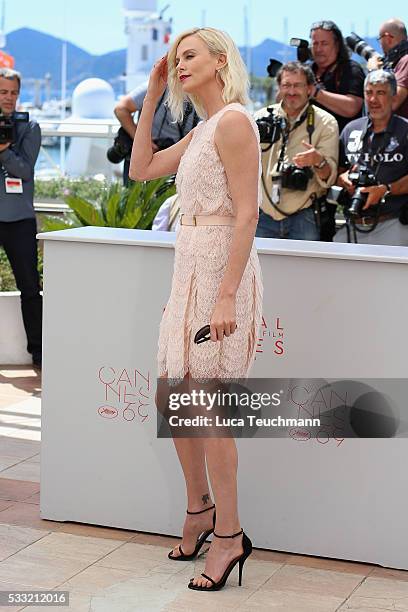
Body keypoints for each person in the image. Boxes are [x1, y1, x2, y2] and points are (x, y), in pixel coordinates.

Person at [129, 27, 263, 591]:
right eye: (175, 57)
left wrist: (228, 293)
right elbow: (141, 169)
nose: (179, 64)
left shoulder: (234, 123)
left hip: (220, 275)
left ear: (219, 61)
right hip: (188, 271)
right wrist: (153, 96)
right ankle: (198, 510)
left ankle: (230, 537)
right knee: (177, 401)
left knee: (208, 409)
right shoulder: (205, 128)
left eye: (190, 56)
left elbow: (249, 214)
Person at [255, 61, 338, 241]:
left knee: (305, 270)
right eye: (286, 85)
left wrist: (318, 161)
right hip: (263, 213)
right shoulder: (261, 118)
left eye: (298, 85)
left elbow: (329, 177)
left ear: (309, 88)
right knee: (261, 269)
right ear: (279, 87)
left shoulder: (325, 122)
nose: (292, 91)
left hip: (304, 215)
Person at [335, 70, 408, 245]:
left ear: (393, 97)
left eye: (381, 93)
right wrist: (342, 179)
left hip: (393, 224)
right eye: (369, 93)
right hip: (352, 224)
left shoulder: (405, 131)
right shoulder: (351, 129)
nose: (373, 100)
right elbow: (337, 172)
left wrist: (385, 189)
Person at [0, 68, 42, 367]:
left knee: (30, 287)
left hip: (19, 219)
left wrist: (3, 148)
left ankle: (38, 351)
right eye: (3, 92)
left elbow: (25, 171)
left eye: (13, 93)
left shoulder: (29, 127)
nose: (9, 98)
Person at [309, 20, 365, 240]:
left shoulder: (351, 69)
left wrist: (315, 92)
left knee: (330, 225)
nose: (318, 49)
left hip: (341, 159)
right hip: (310, 157)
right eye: (315, 43)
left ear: (337, 45)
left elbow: (353, 106)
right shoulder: (308, 70)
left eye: (324, 43)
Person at [114, 83, 198, 185]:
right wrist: (144, 142)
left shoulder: (202, 94)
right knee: (136, 194)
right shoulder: (157, 86)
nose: (181, 68)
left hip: (175, 160)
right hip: (147, 155)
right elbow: (121, 109)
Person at [368, 18, 408, 119]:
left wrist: (374, 72)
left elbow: (392, 103)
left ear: (388, 38)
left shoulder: (406, 61)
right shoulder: (398, 62)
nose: (380, 45)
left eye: (379, 40)